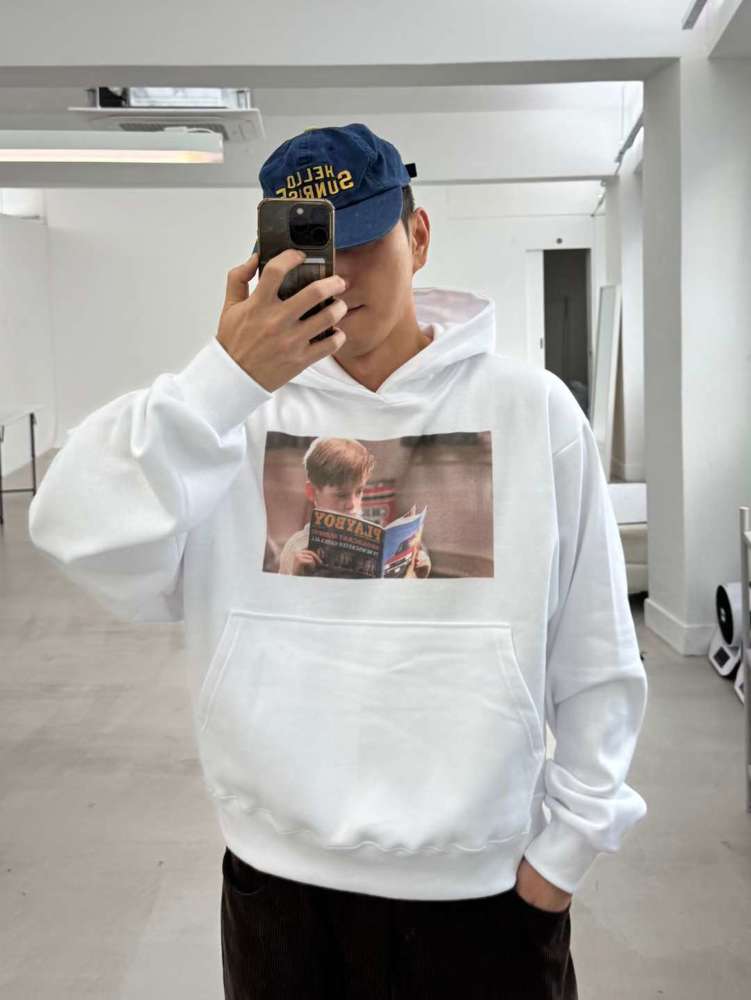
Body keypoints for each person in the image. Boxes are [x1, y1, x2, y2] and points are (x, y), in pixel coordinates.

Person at [28, 122, 648, 999]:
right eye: (313, 250)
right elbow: (70, 525)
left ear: (417, 236)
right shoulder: (223, 419)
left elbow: (595, 648)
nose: (341, 278)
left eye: (361, 241)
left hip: (483, 886)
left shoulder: (532, 410)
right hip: (279, 881)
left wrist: (565, 854)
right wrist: (224, 378)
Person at [276, 435, 432, 577]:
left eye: (359, 492)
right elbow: (283, 595)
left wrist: (416, 574)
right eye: (341, 495)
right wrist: (296, 575)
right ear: (312, 492)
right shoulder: (297, 547)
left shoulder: (375, 540)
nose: (352, 504)